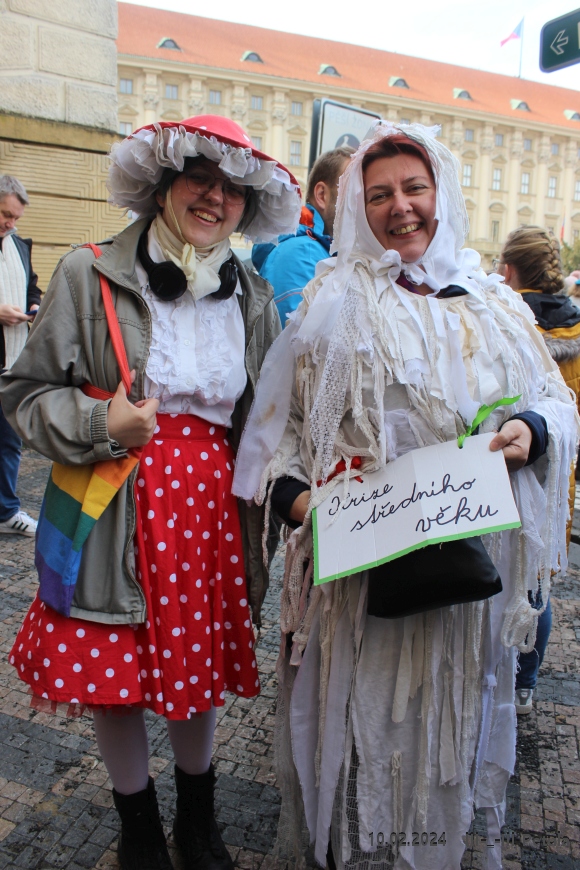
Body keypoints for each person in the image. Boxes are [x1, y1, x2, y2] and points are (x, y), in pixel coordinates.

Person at [233, 123, 578, 869]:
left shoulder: (494, 304)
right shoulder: (329, 303)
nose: (401, 206)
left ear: (440, 194)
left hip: (469, 581)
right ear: (357, 208)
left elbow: (556, 399)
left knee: (451, 732)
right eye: (380, 193)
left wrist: (532, 429)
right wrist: (299, 504)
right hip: (362, 584)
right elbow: (280, 435)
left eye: (415, 188)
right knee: (362, 730)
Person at [0, 115, 300, 870]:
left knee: (195, 666)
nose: (215, 198)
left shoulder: (254, 296)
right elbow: (25, 393)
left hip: (211, 511)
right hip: (111, 501)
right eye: (200, 178)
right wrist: (102, 422)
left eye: (232, 189)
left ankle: (198, 821)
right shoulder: (88, 272)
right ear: (164, 185)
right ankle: (138, 831)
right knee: (117, 670)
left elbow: (272, 416)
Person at [498, 226, 580, 715]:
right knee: (538, 583)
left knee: (504, 573)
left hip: (510, 469)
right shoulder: (576, 326)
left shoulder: (505, 322)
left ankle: (496, 673)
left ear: (508, 269)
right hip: (557, 478)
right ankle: (525, 684)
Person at [252, 147, 353, 325]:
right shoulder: (302, 253)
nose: (364, 205)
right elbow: (300, 340)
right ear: (322, 195)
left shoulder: (317, 250)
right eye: (354, 192)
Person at [0, 175, 41, 537]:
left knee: (9, 440)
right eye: (5, 215)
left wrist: (34, 304)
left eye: (15, 217)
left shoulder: (19, 245)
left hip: (11, 364)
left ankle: (6, 511)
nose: (10, 223)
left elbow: (32, 285)